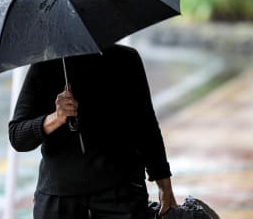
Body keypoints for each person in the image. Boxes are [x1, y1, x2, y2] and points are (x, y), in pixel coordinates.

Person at [9, 44, 177, 218]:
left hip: (122, 195)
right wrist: (56, 118)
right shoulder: (45, 64)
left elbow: (145, 125)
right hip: (59, 199)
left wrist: (164, 182)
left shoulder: (125, 58)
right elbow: (17, 136)